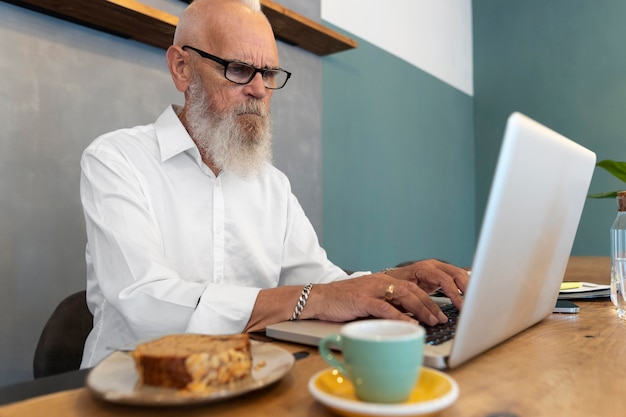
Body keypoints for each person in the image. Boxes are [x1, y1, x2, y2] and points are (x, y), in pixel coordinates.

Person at [79, 0, 469, 368]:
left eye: (268, 73)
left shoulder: (271, 184)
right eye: (238, 69)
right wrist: (313, 297)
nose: (259, 90)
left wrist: (390, 282)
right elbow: (145, 303)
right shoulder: (116, 160)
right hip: (131, 385)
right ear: (182, 68)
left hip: (246, 380)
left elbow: (318, 283)